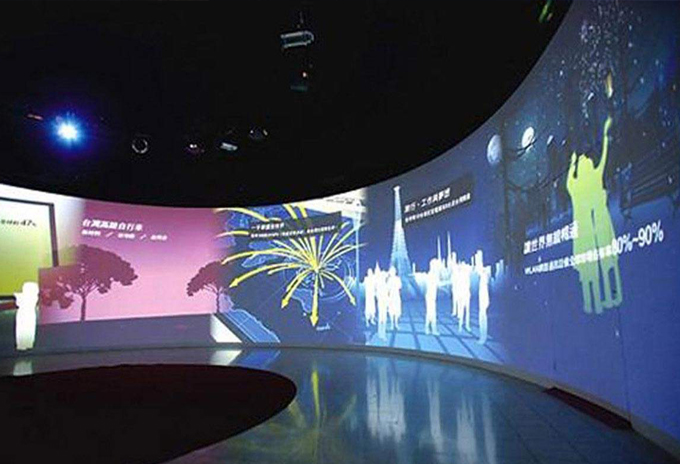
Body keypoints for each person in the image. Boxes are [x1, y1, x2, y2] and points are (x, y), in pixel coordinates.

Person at [14, 282, 39, 351]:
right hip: (24, 314)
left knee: (29, 329)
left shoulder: (33, 297)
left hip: (29, 314)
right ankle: (22, 344)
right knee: (23, 329)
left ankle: (27, 344)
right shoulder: (23, 297)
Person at [425, 258, 439, 335]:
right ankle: (433, 329)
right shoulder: (432, 275)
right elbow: (437, 284)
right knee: (431, 314)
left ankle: (428, 328)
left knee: (430, 313)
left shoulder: (432, 274)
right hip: (430, 296)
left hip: (431, 296)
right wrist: (449, 282)